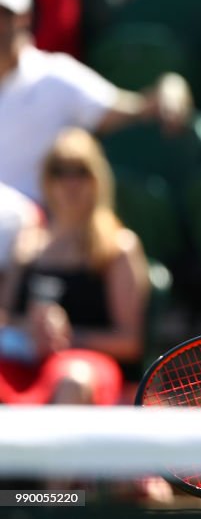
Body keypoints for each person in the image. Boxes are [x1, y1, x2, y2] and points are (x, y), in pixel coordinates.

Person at [0, 0, 192, 203]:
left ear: (23, 17)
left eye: (2, 14)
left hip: (36, 232)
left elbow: (135, 109)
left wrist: (171, 86)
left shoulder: (56, 76)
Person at [0, 128, 149, 405]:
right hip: (23, 360)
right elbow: (5, 318)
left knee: (72, 379)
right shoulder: (27, 244)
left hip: (88, 365)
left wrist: (70, 336)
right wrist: (31, 330)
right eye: (59, 171)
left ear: (98, 179)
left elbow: (130, 341)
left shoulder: (118, 247)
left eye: (80, 171)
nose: (70, 183)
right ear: (47, 180)